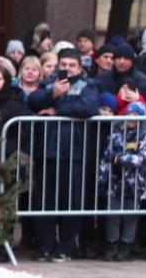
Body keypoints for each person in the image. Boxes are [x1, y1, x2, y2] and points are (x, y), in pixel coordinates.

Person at [25, 47, 97, 261]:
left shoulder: (88, 85)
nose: (67, 69)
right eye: (63, 65)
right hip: (47, 151)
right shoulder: (49, 83)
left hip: (73, 152)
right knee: (44, 201)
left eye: (71, 65)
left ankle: (66, 247)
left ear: (80, 67)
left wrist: (58, 109)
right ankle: (46, 245)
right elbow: (33, 101)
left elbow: (88, 107)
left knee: (71, 201)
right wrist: (52, 94)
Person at [96, 82, 146, 261]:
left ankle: (126, 244)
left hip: (135, 183)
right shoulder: (116, 132)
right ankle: (111, 243)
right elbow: (106, 155)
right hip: (115, 181)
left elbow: (138, 159)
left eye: (137, 115)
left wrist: (119, 158)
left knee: (130, 215)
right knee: (112, 214)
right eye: (131, 114)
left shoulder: (144, 136)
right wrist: (103, 176)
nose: (133, 118)